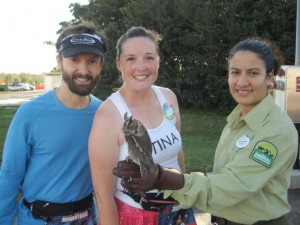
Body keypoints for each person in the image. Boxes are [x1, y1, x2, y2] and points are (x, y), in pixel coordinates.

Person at [113, 37, 299, 225]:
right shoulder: (236, 120)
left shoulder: (276, 130)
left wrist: (162, 177)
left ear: (269, 77)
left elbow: (233, 186)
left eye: (253, 73)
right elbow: (219, 178)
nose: (242, 82)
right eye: (235, 72)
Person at [0, 22, 107, 224]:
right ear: (59, 60)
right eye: (74, 60)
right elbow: (9, 178)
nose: (83, 70)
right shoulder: (30, 114)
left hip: (87, 218)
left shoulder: (105, 114)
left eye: (92, 61)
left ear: (101, 64)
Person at [88, 26, 186, 225]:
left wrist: (185, 197)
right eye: (131, 59)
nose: (141, 67)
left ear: (158, 60)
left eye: (149, 57)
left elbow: (178, 156)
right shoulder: (108, 114)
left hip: (177, 211)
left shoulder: (168, 97)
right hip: (136, 216)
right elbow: (104, 197)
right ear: (119, 64)